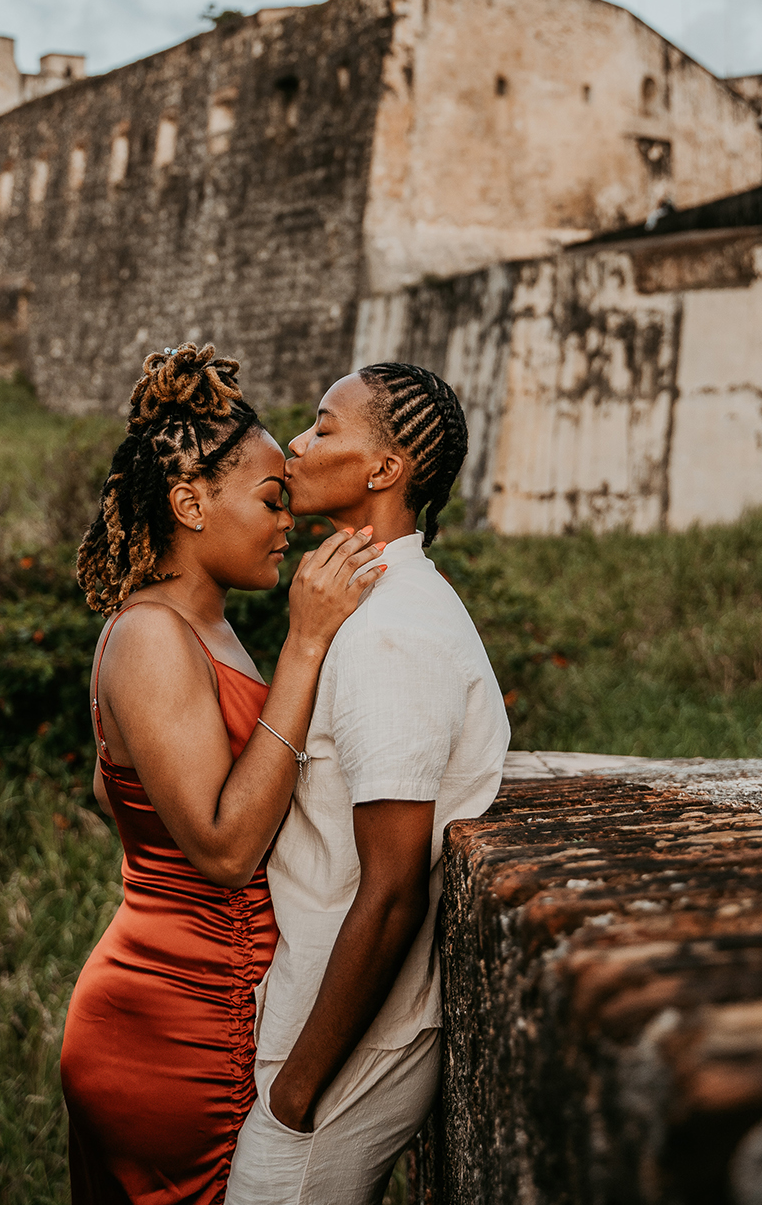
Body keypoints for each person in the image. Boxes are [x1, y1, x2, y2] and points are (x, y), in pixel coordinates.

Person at [60, 343, 385, 1205]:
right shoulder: (152, 635)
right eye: (273, 499)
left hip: (199, 998)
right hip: (176, 1027)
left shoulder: (204, 631)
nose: (291, 522)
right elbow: (224, 849)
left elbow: (111, 792)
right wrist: (307, 642)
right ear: (191, 501)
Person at [226, 362, 511, 1205]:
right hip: (323, 1018)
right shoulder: (377, 604)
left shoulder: (392, 633)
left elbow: (393, 891)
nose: (297, 448)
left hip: (343, 1052)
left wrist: (297, 1092)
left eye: (322, 428)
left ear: (385, 470)